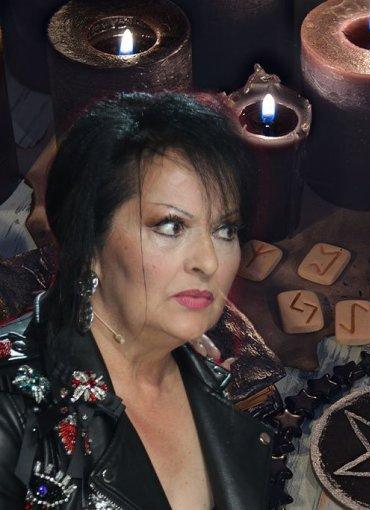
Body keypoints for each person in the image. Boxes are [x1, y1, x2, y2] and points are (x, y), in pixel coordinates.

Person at [0, 92, 284, 509]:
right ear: (90, 242)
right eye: (170, 226)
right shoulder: (12, 409)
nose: (209, 261)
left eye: (225, 230)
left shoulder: (213, 373)